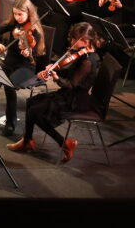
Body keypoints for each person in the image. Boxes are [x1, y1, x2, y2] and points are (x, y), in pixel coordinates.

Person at [7, 22, 100, 163]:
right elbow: (70, 73)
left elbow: (71, 84)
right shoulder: (83, 54)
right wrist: (54, 69)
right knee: (31, 102)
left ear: (86, 41)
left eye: (75, 39)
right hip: (69, 93)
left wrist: (56, 78)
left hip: (75, 100)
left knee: (35, 112)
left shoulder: (88, 61)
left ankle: (65, 143)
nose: (72, 42)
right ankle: (27, 141)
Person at [0, 0, 46, 136]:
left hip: (25, 68)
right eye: (15, 14)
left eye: (20, 14)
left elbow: (35, 54)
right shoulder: (13, 25)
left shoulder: (34, 31)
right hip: (9, 64)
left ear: (29, 13)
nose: (17, 17)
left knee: (9, 84)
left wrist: (28, 52)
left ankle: (11, 122)